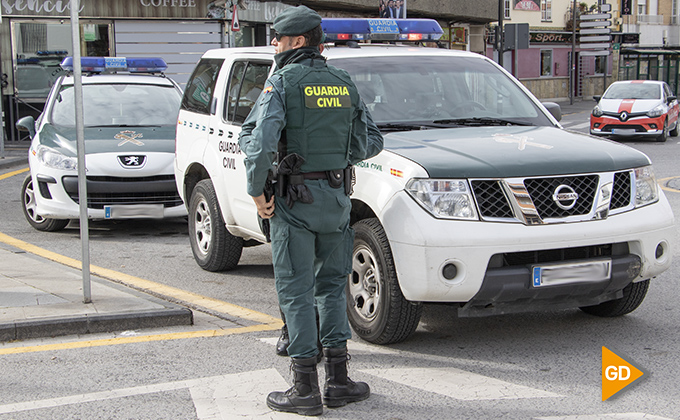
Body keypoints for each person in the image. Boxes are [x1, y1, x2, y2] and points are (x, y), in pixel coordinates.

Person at [238, 5, 384, 417]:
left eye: (279, 39)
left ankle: (304, 387)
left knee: (296, 290)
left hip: (292, 201)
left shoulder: (281, 84)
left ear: (297, 41)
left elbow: (263, 143)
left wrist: (255, 192)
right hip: (336, 200)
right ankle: (339, 380)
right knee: (332, 285)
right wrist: (337, 158)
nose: (275, 45)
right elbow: (371, 141)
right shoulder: (343, 82)